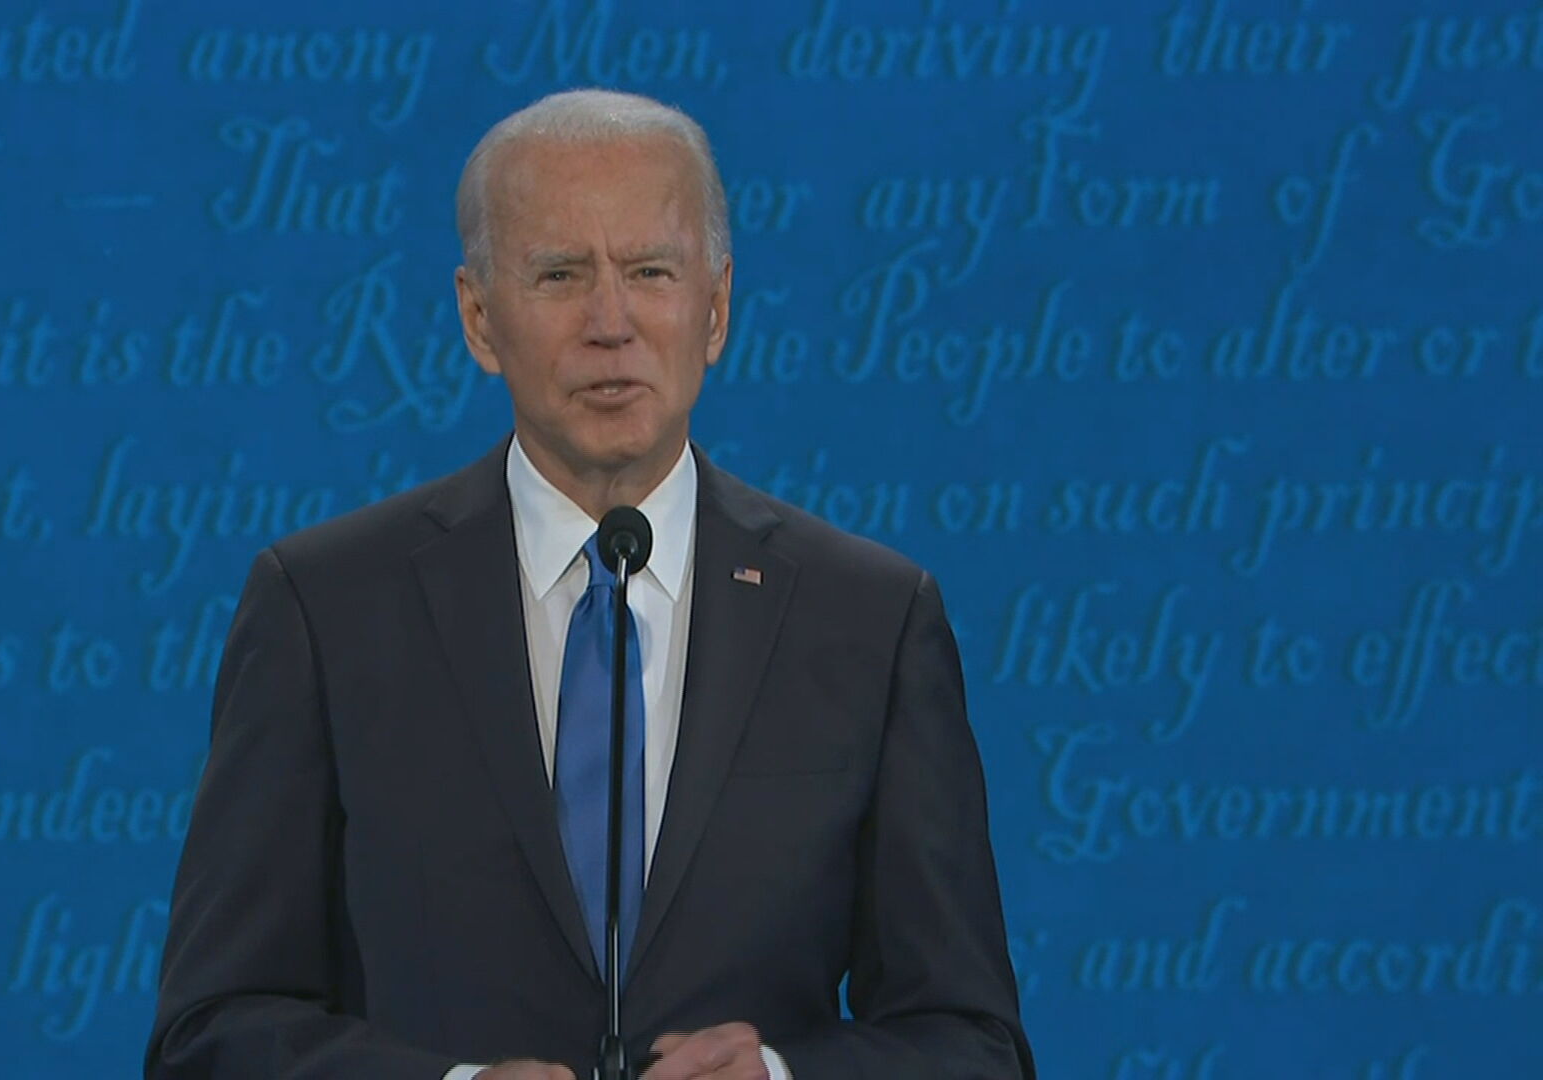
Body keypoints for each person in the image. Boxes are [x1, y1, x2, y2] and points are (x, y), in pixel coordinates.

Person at [145, 88, 1036, 1080]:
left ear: (717, 308)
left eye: (651, 271)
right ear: (480, 320)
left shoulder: (871, 620)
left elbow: (972, 1044)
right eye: (560, 274)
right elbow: (211, 1033)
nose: (610, 322)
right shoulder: (324, 608)